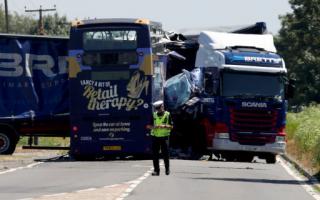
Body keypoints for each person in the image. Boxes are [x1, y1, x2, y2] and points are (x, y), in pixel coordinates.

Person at [147, 100, 173, 176]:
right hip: (155, 137)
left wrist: (164, 126)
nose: (158, 110)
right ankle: (156, 171)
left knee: (165, 154)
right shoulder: (154, 115)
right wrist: (153, 127)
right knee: (155, 155)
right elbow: (148, 126)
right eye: (157, 108)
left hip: (164, 137)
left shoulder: (168, 115)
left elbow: (171, 126)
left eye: (159, 108)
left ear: (162, 106)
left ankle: (167, 169)